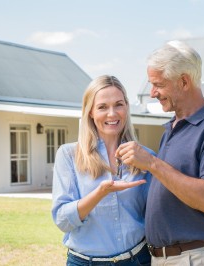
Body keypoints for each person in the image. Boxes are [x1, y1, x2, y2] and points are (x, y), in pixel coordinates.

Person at [116, 41, 204, 265]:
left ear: (184, 81)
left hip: (194, 258)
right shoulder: (171, 128)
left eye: (158, 85)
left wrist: (153, 163)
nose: (153, 93)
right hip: (166, 258)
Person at [52, 75, 154, 265]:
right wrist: (100, 193)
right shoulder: (68, 155)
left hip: (137, 260)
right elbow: (62, 220)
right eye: (102, 107)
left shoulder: (145, 156)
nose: (112, 113)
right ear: (90, 111)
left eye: (118, 104)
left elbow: (155, 214)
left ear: (127, 107)